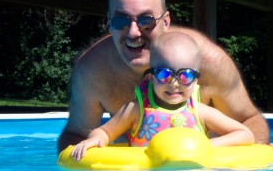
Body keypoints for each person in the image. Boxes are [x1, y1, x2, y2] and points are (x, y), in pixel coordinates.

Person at [58, 0, 270, 153]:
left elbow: (250, 123)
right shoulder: (93, 70)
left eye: (146, 20)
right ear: (109, 23)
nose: (133, 32)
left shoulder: (209, 62)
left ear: (165, 21)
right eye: (121, 20)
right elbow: (76, 135)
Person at [71, 32, 255, 161]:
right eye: (164, 74)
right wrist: (97, 138)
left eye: (185, 75)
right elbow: (104, 131)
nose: (174, 83)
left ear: (196, 80)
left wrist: (207, 145)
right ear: (151, 77)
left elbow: (245, 134)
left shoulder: (200, 112)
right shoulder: (137, 110)